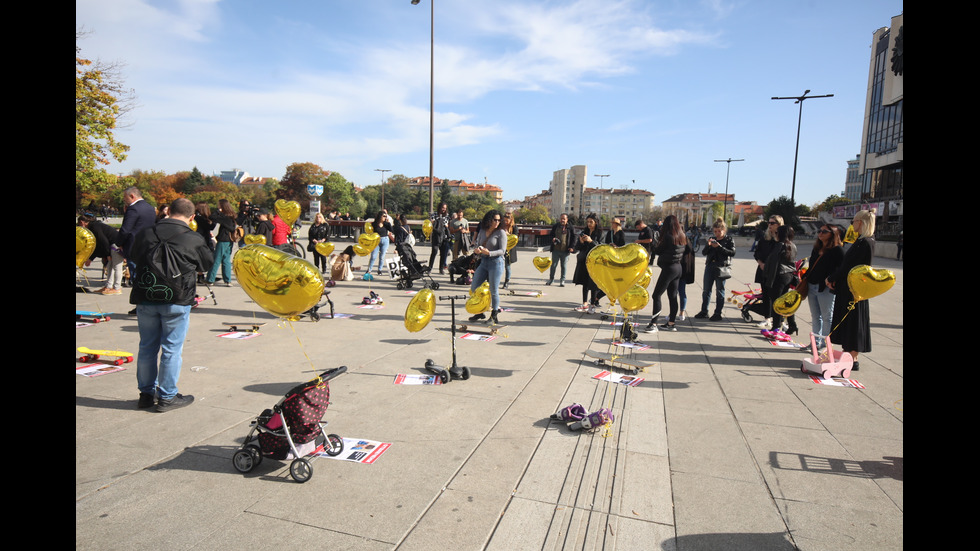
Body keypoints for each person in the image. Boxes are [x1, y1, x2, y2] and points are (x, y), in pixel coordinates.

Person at [129, 198, 214, 412]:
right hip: (177, 297)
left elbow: (131, 256)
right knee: (171, 349)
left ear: (168, 212)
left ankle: (146, 394)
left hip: (146, 295)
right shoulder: (193, 238)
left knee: (147, 347)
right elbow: (206, 264)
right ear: (192, 217)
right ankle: (166, 396)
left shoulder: (146, 232)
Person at [827, 210, 877, 370]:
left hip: (855, 291)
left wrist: (832, 277)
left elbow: (851, 267)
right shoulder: (861, 241)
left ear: (861, 222)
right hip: (848, 289)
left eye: (853, 221)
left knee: (854, 323)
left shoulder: (866, 242)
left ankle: (853, 358)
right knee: (848, 323)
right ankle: (847, 353)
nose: (852, 224)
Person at [804, 224, 844, 353]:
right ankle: (815, 343)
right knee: (815, 316)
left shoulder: (838, 250)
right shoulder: (817, 248)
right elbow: (811, 267)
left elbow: (841, 269)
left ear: (832, 234)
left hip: (825, 287)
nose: (820, 233)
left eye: (824, 232)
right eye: (819, 231)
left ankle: (826, 345)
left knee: (827, 316)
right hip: (812, 285)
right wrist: (803, 277)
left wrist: (832, 279)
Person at [645, 215, 689, 333]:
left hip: (669, 268)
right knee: (673, 296)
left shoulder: (668, 236)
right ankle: (671, 323)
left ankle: (653, 324)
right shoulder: (682, 236)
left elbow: (657, 250)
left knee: (656, 295)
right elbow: (688, 250)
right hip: (678, 267)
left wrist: (655, 242)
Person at [468, 210, 508, 324]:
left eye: (499, 220)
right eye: (494, 219)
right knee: (474, 287)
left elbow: (502, 251)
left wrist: (489, 253)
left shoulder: (501, 233)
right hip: (484, 262)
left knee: (493, 290)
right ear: (489, 220)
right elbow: (478, 243)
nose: (497, 222)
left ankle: (494, 315)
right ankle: (480, 311)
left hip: (496, 263)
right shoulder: (482, 230)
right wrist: (478, 249)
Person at [760, 225, 799, 338]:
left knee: (777, 303)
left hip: (778, 276)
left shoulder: (780, 245)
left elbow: (773, 265)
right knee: (785, 302)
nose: (775, 234)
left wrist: (768, 280)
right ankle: (792, 324)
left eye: (777, 232)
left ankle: (776, 327)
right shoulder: (792, 245)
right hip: (788, 276)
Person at [695, 218, 736, 321]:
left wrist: (719, 247)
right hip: (710, 266)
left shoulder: (728, 239)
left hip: (721, 267)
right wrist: (709, 246)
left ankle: (718, 313)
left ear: (724, 230)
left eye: (719, 231)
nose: (717, 233)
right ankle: (704, 311)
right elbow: (704, 253)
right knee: (706, 290)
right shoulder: (712, 239)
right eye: (715, 231)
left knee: (720, 291)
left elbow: (732, 253)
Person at [115, 186, 156, 287]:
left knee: (136, 276)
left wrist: (119, 243)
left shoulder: (133, 209)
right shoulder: (150, 208)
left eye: (125, 197)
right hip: (148, 245)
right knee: (145, 274)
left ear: (132, 196)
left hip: (133, 246)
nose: (124, 200)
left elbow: (125, 230)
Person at [78, 213, 123, 295]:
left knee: (117, 266)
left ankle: (117, 288)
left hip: (116, 245)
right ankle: (108, 286)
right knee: (109, 266)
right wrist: (91, 259)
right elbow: (97, 245)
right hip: (112, 245)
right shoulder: (93, 227)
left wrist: (107, 255)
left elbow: (103, 242)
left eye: (79, 224)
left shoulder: (95, 227)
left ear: (82, 222)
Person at [752, 215, 784, 328]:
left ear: (779, 225)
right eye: (769, 223)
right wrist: (761, 263)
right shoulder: (764, 238)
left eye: (772, 223)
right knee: (766, 295)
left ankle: (780, 320)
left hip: (776, 273)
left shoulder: (782, 241)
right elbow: (757, 253)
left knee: (777, 297)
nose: (769, 225)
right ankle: (767, 318)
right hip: (763, 270)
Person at [572, 213, 604, 312]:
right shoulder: (584, 232)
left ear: (596, 222)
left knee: (593, 284)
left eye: (591, 222)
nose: (589, 224)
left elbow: (601, 248)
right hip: (584, 261)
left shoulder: (600, 233)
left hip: (595, 262)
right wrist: (581, 242)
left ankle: (593, 305)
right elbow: (577, 248)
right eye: (588, 222)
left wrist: (591, 241)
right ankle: (585, 303)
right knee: (584, 282)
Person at [206, 199, 237, 286]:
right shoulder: (231, 216)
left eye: (219, 205)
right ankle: (228, 280)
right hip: (229, 240)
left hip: (223, 239)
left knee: (216, 259)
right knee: (226, 260)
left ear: (222, 206)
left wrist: (217, 211)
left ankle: (210, 279)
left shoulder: (224, 217)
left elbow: (212, 217)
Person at [547, 213, 575, 286]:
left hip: (565, 250)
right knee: (553, 265)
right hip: (556, 250)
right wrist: (553, 239)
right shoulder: (556, 226)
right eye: (561, 218)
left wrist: (571, 247)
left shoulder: (570, 227)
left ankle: (562, 280)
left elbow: (574, 238)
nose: (562, 220)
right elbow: (551, 235)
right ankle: (551, 279)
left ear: (567, 219)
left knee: (563, 266)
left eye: (564, 219)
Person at [368, 210, 394, 275]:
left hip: (385, 239)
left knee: (382, 256)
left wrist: (388, 223)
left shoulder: (386, 224)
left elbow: (391, 230)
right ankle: (369, 269)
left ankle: (380, 270)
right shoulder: (374, 224)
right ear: (380, 216)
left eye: (386, 216)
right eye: (384, 216)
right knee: (373, 256)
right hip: (376, 240)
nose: (385, 217)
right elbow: (371, 232)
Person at [428, 203, 452, 274]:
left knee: (443, 253)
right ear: (439, 207)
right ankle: (430, 268)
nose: (444, 209)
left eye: (445, 208)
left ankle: (441, 268)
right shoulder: (434, 214)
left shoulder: (447, 216)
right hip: (436, 236)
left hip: (444, 237)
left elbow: (447, 225)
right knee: (434, 252)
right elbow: (431, 223)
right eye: (442, 208)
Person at [500, 212, 517, 289]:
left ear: (511, 220)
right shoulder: (501, 226)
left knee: (507, 266)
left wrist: (508, 234)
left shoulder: (514, 227)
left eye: (507, 221)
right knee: (499, 265)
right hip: (500, 248)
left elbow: (516, 238)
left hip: (510, 250)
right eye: (504, 220)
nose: (505, 222)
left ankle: (506, 282)